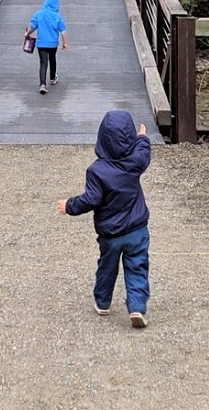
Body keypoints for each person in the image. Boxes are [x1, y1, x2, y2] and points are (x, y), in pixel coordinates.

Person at [56, 110, 151, 328]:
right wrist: (142, 138)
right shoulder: (135, 161)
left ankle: (103, 302)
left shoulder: (96, 171)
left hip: (110, 233)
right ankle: (136, 307)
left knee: (107, 267)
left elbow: (90, 199)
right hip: (137, 229)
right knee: (137, 266)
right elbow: (144, 152)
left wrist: (69, 205)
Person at [25, 0, 67, 94]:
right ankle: (52, 78)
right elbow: (63, 31)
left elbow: (33, 26)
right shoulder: (57, 16)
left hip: (41, 43)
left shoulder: (38, 14)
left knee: (43, 62)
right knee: (52, 59)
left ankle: (42, 84)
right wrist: (65, 43)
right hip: (53, 44)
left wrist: (27, 34)